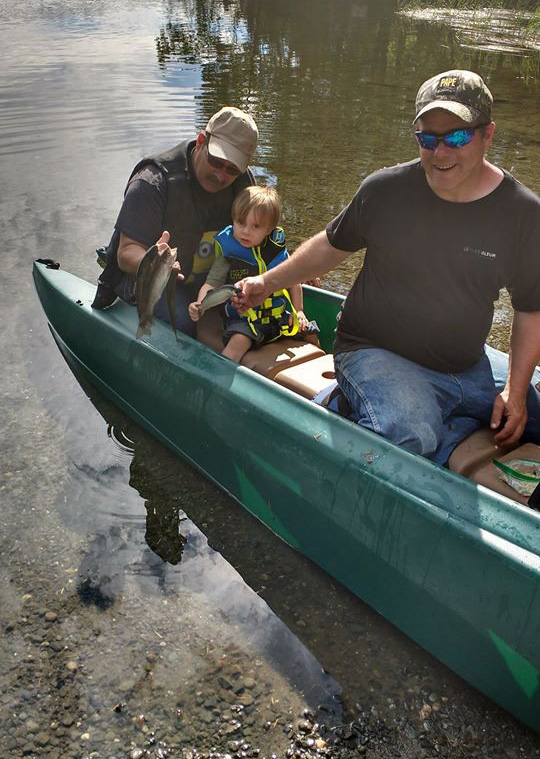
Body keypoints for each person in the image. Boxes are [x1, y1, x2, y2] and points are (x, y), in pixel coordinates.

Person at [234, 70, 540, 465]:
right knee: (410, 434)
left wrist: (515, 391)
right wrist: (265, 282)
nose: (441, 153)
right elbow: (331, 246)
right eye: (428, 139)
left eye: (457, 137)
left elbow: (530, 308)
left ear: (488, 134)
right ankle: (361, 410)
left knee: (528, 410)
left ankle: (452, 421)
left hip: (469, 364)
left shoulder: (523, 214)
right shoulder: (386, 190)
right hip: (374, 352)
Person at [91, 106, 258, 337]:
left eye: (232, 169)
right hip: (155, 282)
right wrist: (156, 261)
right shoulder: (152, 182)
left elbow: (263, 229)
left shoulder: (244, 184)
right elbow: (126, 253)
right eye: (216, 161)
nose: (221, 175)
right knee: (185, 324)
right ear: (201, 141)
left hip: (212, 280)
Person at [188, 186, 309, 362]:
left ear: (269, 229)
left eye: (256, 226)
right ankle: (218, 377)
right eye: (241, 222)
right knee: (238, 341)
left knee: (311, 333)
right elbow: (211, 284)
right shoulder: (229, 252)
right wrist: (200, 304)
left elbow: (294, 281)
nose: (245, 231)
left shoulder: (276, 250)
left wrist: (299, 311)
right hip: (245, 320)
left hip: (279, 318)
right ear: (233, 220)